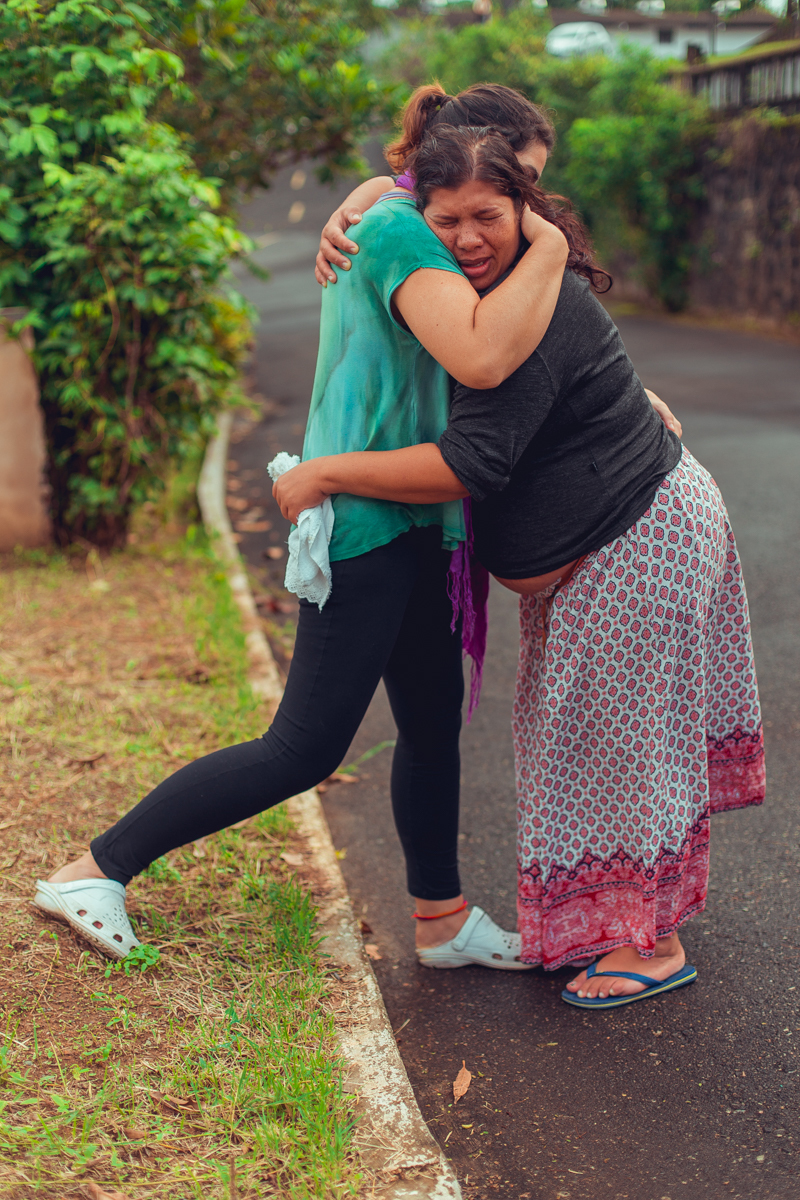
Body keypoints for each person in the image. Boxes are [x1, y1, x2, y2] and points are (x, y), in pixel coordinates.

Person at [32, 94, 572, 970]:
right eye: (527, 185)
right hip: (366, 518)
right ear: (466, 167)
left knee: (432, 724)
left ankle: (440, 919)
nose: (524, 212)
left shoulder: (417, 225)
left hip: (424, 520)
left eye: (522, 198)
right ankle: (93, 870)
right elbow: (481, 359)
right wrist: (539, 241)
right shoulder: (400, 232)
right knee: (306, 745)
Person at [273, 125, 765, 1009]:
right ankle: (607, 929)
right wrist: (363, 197)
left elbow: (477, 457)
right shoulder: (487, 284)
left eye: (493, 212)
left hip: (634, 540)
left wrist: (323, 473)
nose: (466, 237)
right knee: (576, 746)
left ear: (527, 206)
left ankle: (652, 946)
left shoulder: (522, 306)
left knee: (622, 748)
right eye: (447, 216)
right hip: (602, 553)